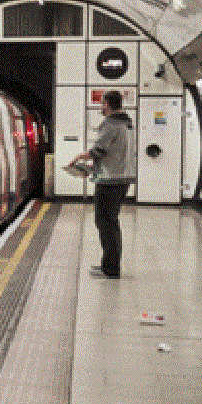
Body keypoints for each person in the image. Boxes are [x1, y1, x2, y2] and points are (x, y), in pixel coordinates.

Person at [70, 90, 136, 279]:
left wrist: (79, 158)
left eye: (102, 104)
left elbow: (98, 150)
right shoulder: (128, 123)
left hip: (109, 181)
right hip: (122, 179)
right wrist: (91, 169)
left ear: (107, 104)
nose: (101, 108)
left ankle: (111, 269)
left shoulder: (110, 124)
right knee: (111, 222)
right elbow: (115, 154)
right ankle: (109, 265)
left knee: (106, 223)